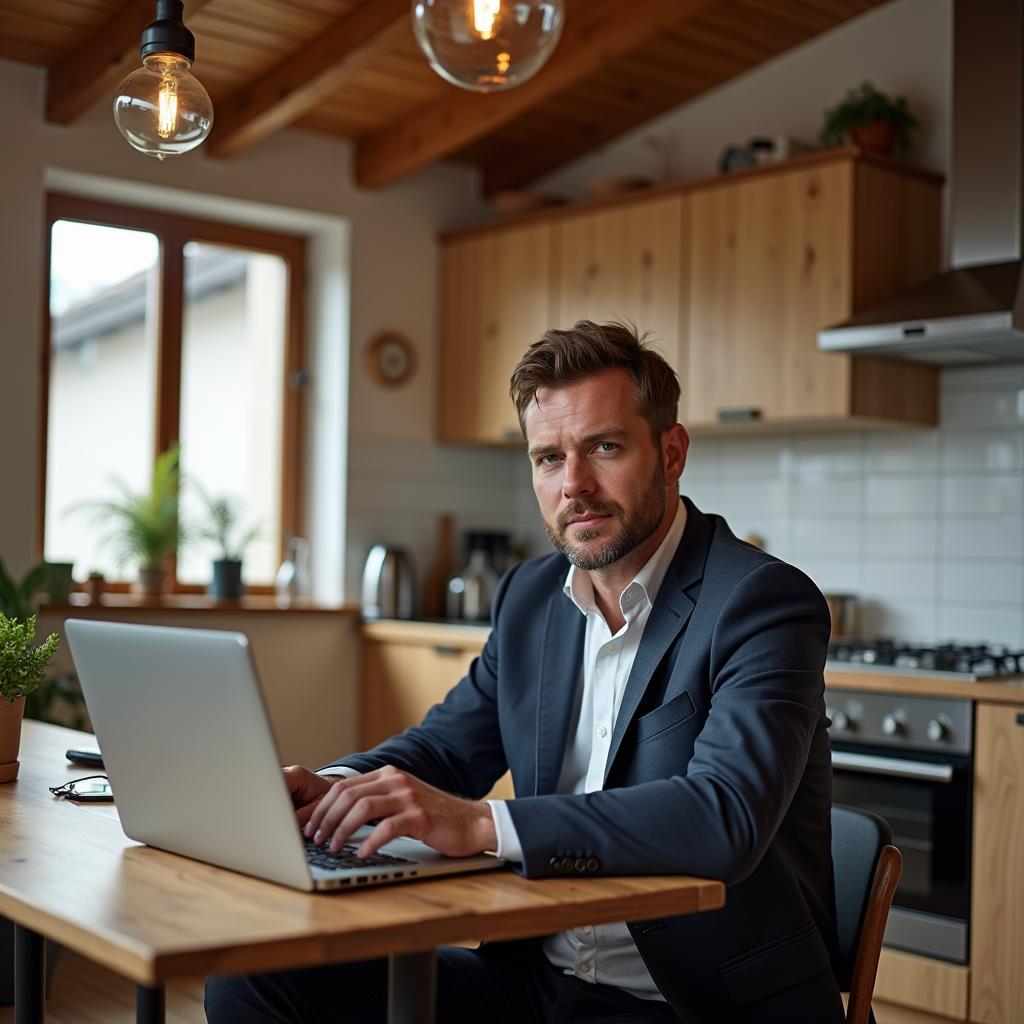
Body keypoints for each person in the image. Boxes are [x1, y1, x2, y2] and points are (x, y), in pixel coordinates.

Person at [206, 321, 845, 1024]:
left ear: (671, 452)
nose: (574, 485)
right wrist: (330, 789)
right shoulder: (530, 597)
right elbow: (444, 751)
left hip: (692, 1002)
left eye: (604, 447)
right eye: (548, 458)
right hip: (535, 983)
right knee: (251, 974)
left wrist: (484, 824)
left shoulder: (760, 602)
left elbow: (725, 815)